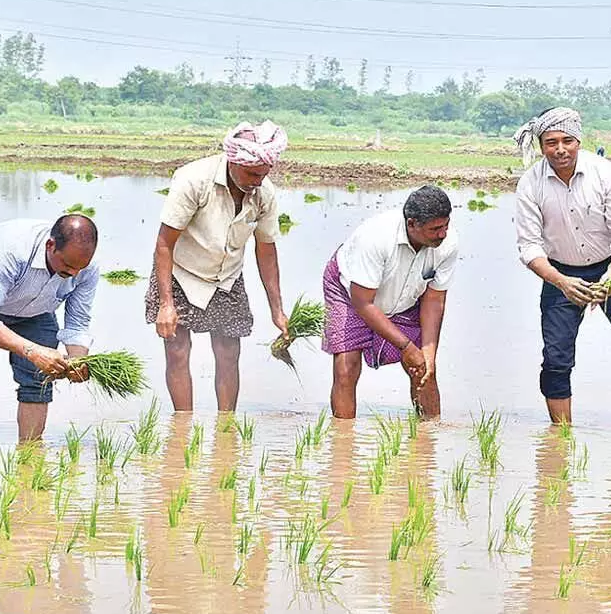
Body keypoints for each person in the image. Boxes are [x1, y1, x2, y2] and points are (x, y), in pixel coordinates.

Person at [514, 107, 611, 427]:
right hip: (559, 273)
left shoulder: (603, 172)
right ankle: (561, 439)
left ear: (579, 140)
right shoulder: (531, 183)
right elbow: (529, 246)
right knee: (556, 360)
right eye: (551, 142)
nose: (560, 149)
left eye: (567, 141)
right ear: (540, 145)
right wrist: (562, 282)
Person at [147, 121, 290, 413]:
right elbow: (164, 243)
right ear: (233, 161)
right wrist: (166, 304)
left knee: (228, 353)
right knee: (177, 351)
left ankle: (226, 425)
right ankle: (182, 425)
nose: (257, 181)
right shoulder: (193, 180)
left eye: (263, 175)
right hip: (181, 271)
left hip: (226, 275)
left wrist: (277, 309)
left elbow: (266, 251)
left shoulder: (264, 194)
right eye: (251, 174)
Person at [0, 215, 99, 441]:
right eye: (67, 265)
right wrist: (32, 351)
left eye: (80, 268)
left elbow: (77, 323)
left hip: (38, 308)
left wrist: (77, 360)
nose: (74, 273)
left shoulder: (87, 269)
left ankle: (30, 456)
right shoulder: (11, 250)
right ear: (50, 246)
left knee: (39, 376)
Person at [322, 185, 458, 420]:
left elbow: (434, 300)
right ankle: (343, 445)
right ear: (411, 223)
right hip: (351, 293)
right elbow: (363, 303)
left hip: (407, 297)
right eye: (435, 229)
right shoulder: (376, 238)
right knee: (346, 366)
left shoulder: (447, 242)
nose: (443, 234)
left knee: (424, 368)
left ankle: (431, 435)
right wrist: (406, 347)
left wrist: (428, 352)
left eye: (446, 225)